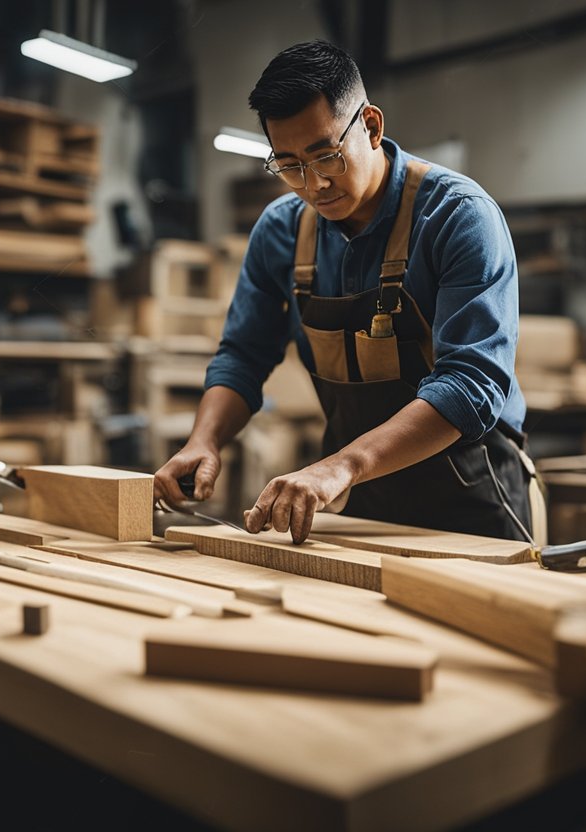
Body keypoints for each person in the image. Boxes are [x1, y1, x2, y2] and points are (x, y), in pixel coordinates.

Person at [154, 40, 543, 546]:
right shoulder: (281, 233)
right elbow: (243, 355)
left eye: (326, 156)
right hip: (361, 496)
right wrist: (204, 440)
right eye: (289, 165)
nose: (313, 185)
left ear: (372, 127)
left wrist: (341, 466)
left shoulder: (458, 217)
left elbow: (471, 386)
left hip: (471, 493)